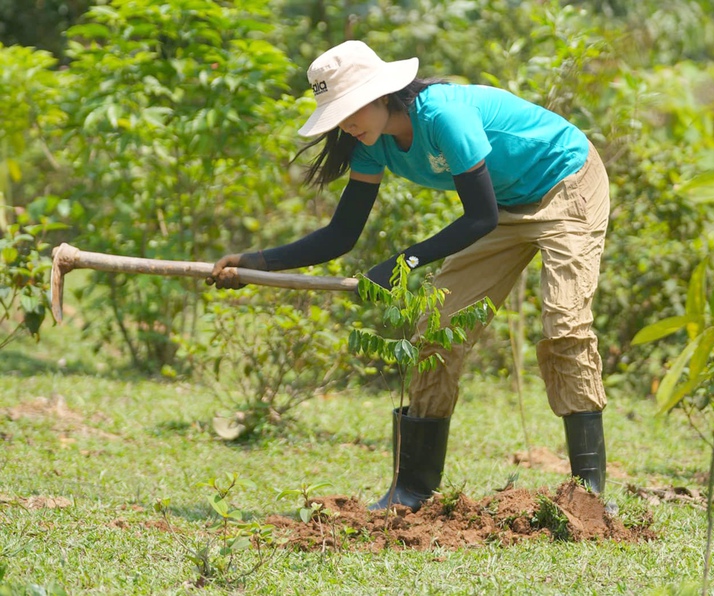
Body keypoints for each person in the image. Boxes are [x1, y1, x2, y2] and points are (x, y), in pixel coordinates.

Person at [207, 40, 610, 511]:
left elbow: (476, 218)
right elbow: (341, 235)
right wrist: (257, 262)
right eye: (336, 113)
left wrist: (406, 263)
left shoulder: (444, 117)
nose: (345, 123)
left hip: (565, 183)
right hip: (502, 207)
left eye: (349, 108)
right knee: (436, 331)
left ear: (382, 94)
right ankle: (413, 490)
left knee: (564, 324)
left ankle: (589, 496)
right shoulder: (371, 145)